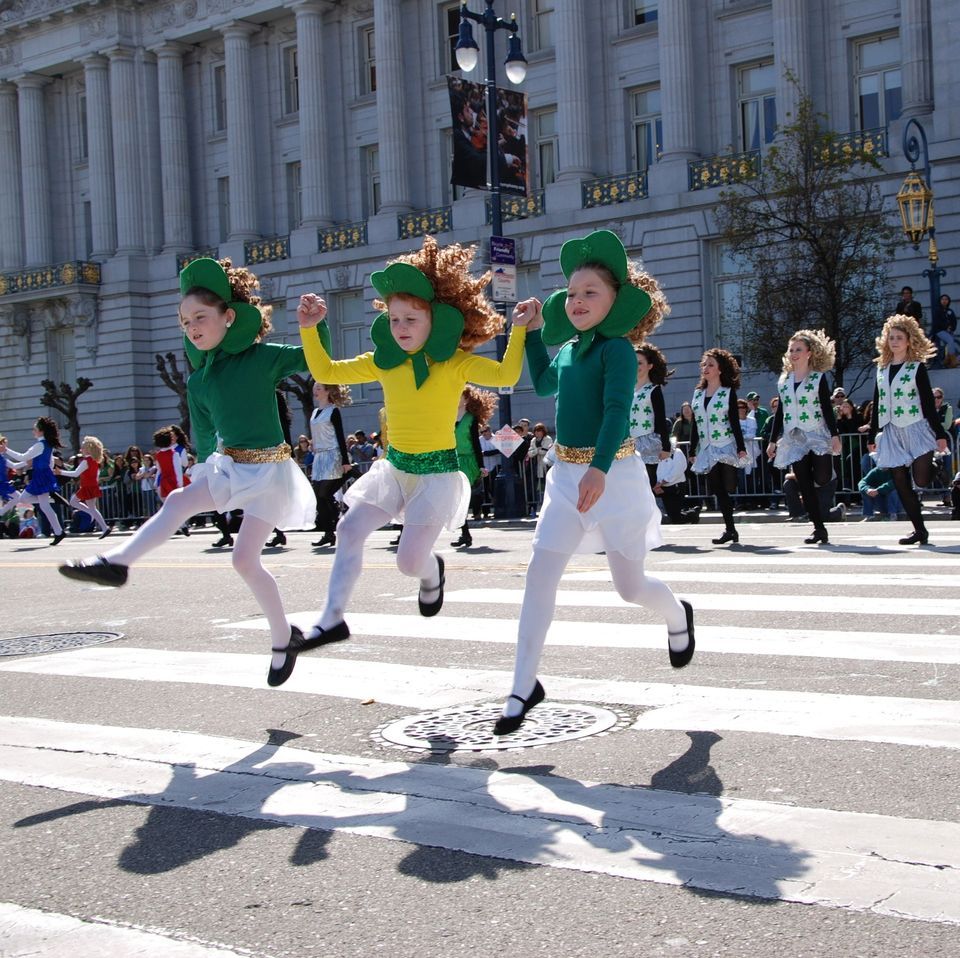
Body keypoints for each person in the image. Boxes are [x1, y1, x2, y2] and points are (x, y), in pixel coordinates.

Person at [59, 257, 318, 688]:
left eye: (200, 317)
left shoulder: (261, 358)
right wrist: (202, 469)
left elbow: (313, 359)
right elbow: (204, 432)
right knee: (180, 500)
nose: (192, 327)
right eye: (185, 322)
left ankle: (282, 637)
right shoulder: (200, 380)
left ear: (228, 317)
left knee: (244, 559)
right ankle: (117, 564)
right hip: (231, 466)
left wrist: (313, 325)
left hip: (272, 474)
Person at [494, 229, 693, 736]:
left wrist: (600, 471)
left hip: (616, 474)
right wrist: (536, 331)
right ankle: (522, 685)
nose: (578, 301)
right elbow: (541, 384)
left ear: (616, 301)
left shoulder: (619, 353)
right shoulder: (571, 348)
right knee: (541, 572)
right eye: (573, 292)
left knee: (630, 589)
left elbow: (614, 415)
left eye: (591, 293)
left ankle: (677, 615)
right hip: (565, 475)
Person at [295, 234, 533, 650]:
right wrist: (310, 329)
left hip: (437, 474)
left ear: (435, 320)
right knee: (349, 528)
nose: (400, 328)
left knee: (409, 563)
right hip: (394, 469)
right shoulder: (383, 361)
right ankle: (331, 619)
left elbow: (507, 377)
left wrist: (518, 333)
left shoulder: (455, 363)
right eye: (394, 319)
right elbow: (326, 370)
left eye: (411, 319)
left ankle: (430, 572)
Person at [868, 313, 948, 545]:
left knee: (921, 480)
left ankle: (936, 464)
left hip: (915, 427)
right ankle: (919, 530)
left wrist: (940, 434)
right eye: (891, 337)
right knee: (901, 482)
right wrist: (874, 433)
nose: (894, 342)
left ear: (909, 341)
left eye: (899, 338)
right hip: (891, 430)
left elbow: (926, 402)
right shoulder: (882, 368)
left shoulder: (915, 368)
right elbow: (877, 402)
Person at [765, 330, 842, 544]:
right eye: (791, 350)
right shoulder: (784, 381)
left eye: (798, 349)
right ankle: (819, 529)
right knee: (805, 484)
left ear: (809, 352)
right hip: (794, 437)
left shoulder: (818, 378)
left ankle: (825, 485)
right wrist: (773, 441)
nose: (794, 353)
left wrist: (835, 435)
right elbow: (780, 411)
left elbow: (827, 408)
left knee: (822, 478)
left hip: (816, 433)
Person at [689, 349, 748, 544]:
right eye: (704, 365)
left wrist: (741, 447)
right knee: (719, 490)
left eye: (710, 364)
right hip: (706, 448)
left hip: (725, 444)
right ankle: (730, 530)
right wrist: (692, 449)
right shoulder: (697, 394)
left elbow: (734, 422)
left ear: (720, 369)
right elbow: (696, 424)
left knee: (729, 486)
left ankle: (731, 527)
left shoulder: (727, 393)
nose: (705, 368)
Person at [4, 416, 67, 545]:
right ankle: (59, 531)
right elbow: (50, 461)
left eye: (35, 429)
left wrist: (6, 450)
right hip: (43, 475)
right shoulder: (46, 444)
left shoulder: (40, 445)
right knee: (44, 506)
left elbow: (23, 457)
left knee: (24, 499)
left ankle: (59, 531)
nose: (33, 431)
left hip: (41, 476)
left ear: (41, 431)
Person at [451, 386, 498, 548]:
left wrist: (481, 465)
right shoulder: (449, 416)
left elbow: (476, 443)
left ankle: (466, 533)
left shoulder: (471, 419)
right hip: (453, 460)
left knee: (461, 497)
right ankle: (465, 533)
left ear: (466, 399)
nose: (456, 398)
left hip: (468, 460)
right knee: (457, 499)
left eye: (459, 395)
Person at [310, 381, 353, 549]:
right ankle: (329, 532)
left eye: (319, 388)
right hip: (319, 457)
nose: (315, 391)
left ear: (327, 391)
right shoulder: (314, 412)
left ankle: (337, 523)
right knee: (319, 496)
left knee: (324, 492)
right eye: (314, 388)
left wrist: (344, 460)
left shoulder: (333, 411)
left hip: (332, 454)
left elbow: (340, 436)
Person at [629, 343, 673, 490]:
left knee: (648, 484)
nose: (636, 366)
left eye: (640, 363)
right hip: (627, 443)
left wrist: (666, 447)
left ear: (650, 366)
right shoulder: (626, 389)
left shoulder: (653, 390)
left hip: (648, 442)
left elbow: (661, 420)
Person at [55, 435, 112, 538]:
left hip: (87, 486)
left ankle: (96, 519)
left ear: (88, 449)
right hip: (91, 486)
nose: (81, 449)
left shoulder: (86, 461)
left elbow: (75, 473)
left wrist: (60, 472)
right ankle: (104, 527)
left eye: (83, 447)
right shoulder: (94, 460)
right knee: (90, 507)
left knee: (74, 501)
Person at [930, 294, 959, 368]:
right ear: (940, 301)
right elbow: (937, 322)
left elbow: (954, 321)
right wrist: (946, 327)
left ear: (948, 301)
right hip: (939, 330)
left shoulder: (950, 311)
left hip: (949, 331)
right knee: (950, 340)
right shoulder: (937, 310)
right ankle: (953, 360)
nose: (944, 301)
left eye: (946, 299)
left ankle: (947, 360)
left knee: (952, 344)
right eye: (943, 299)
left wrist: (951, 328)